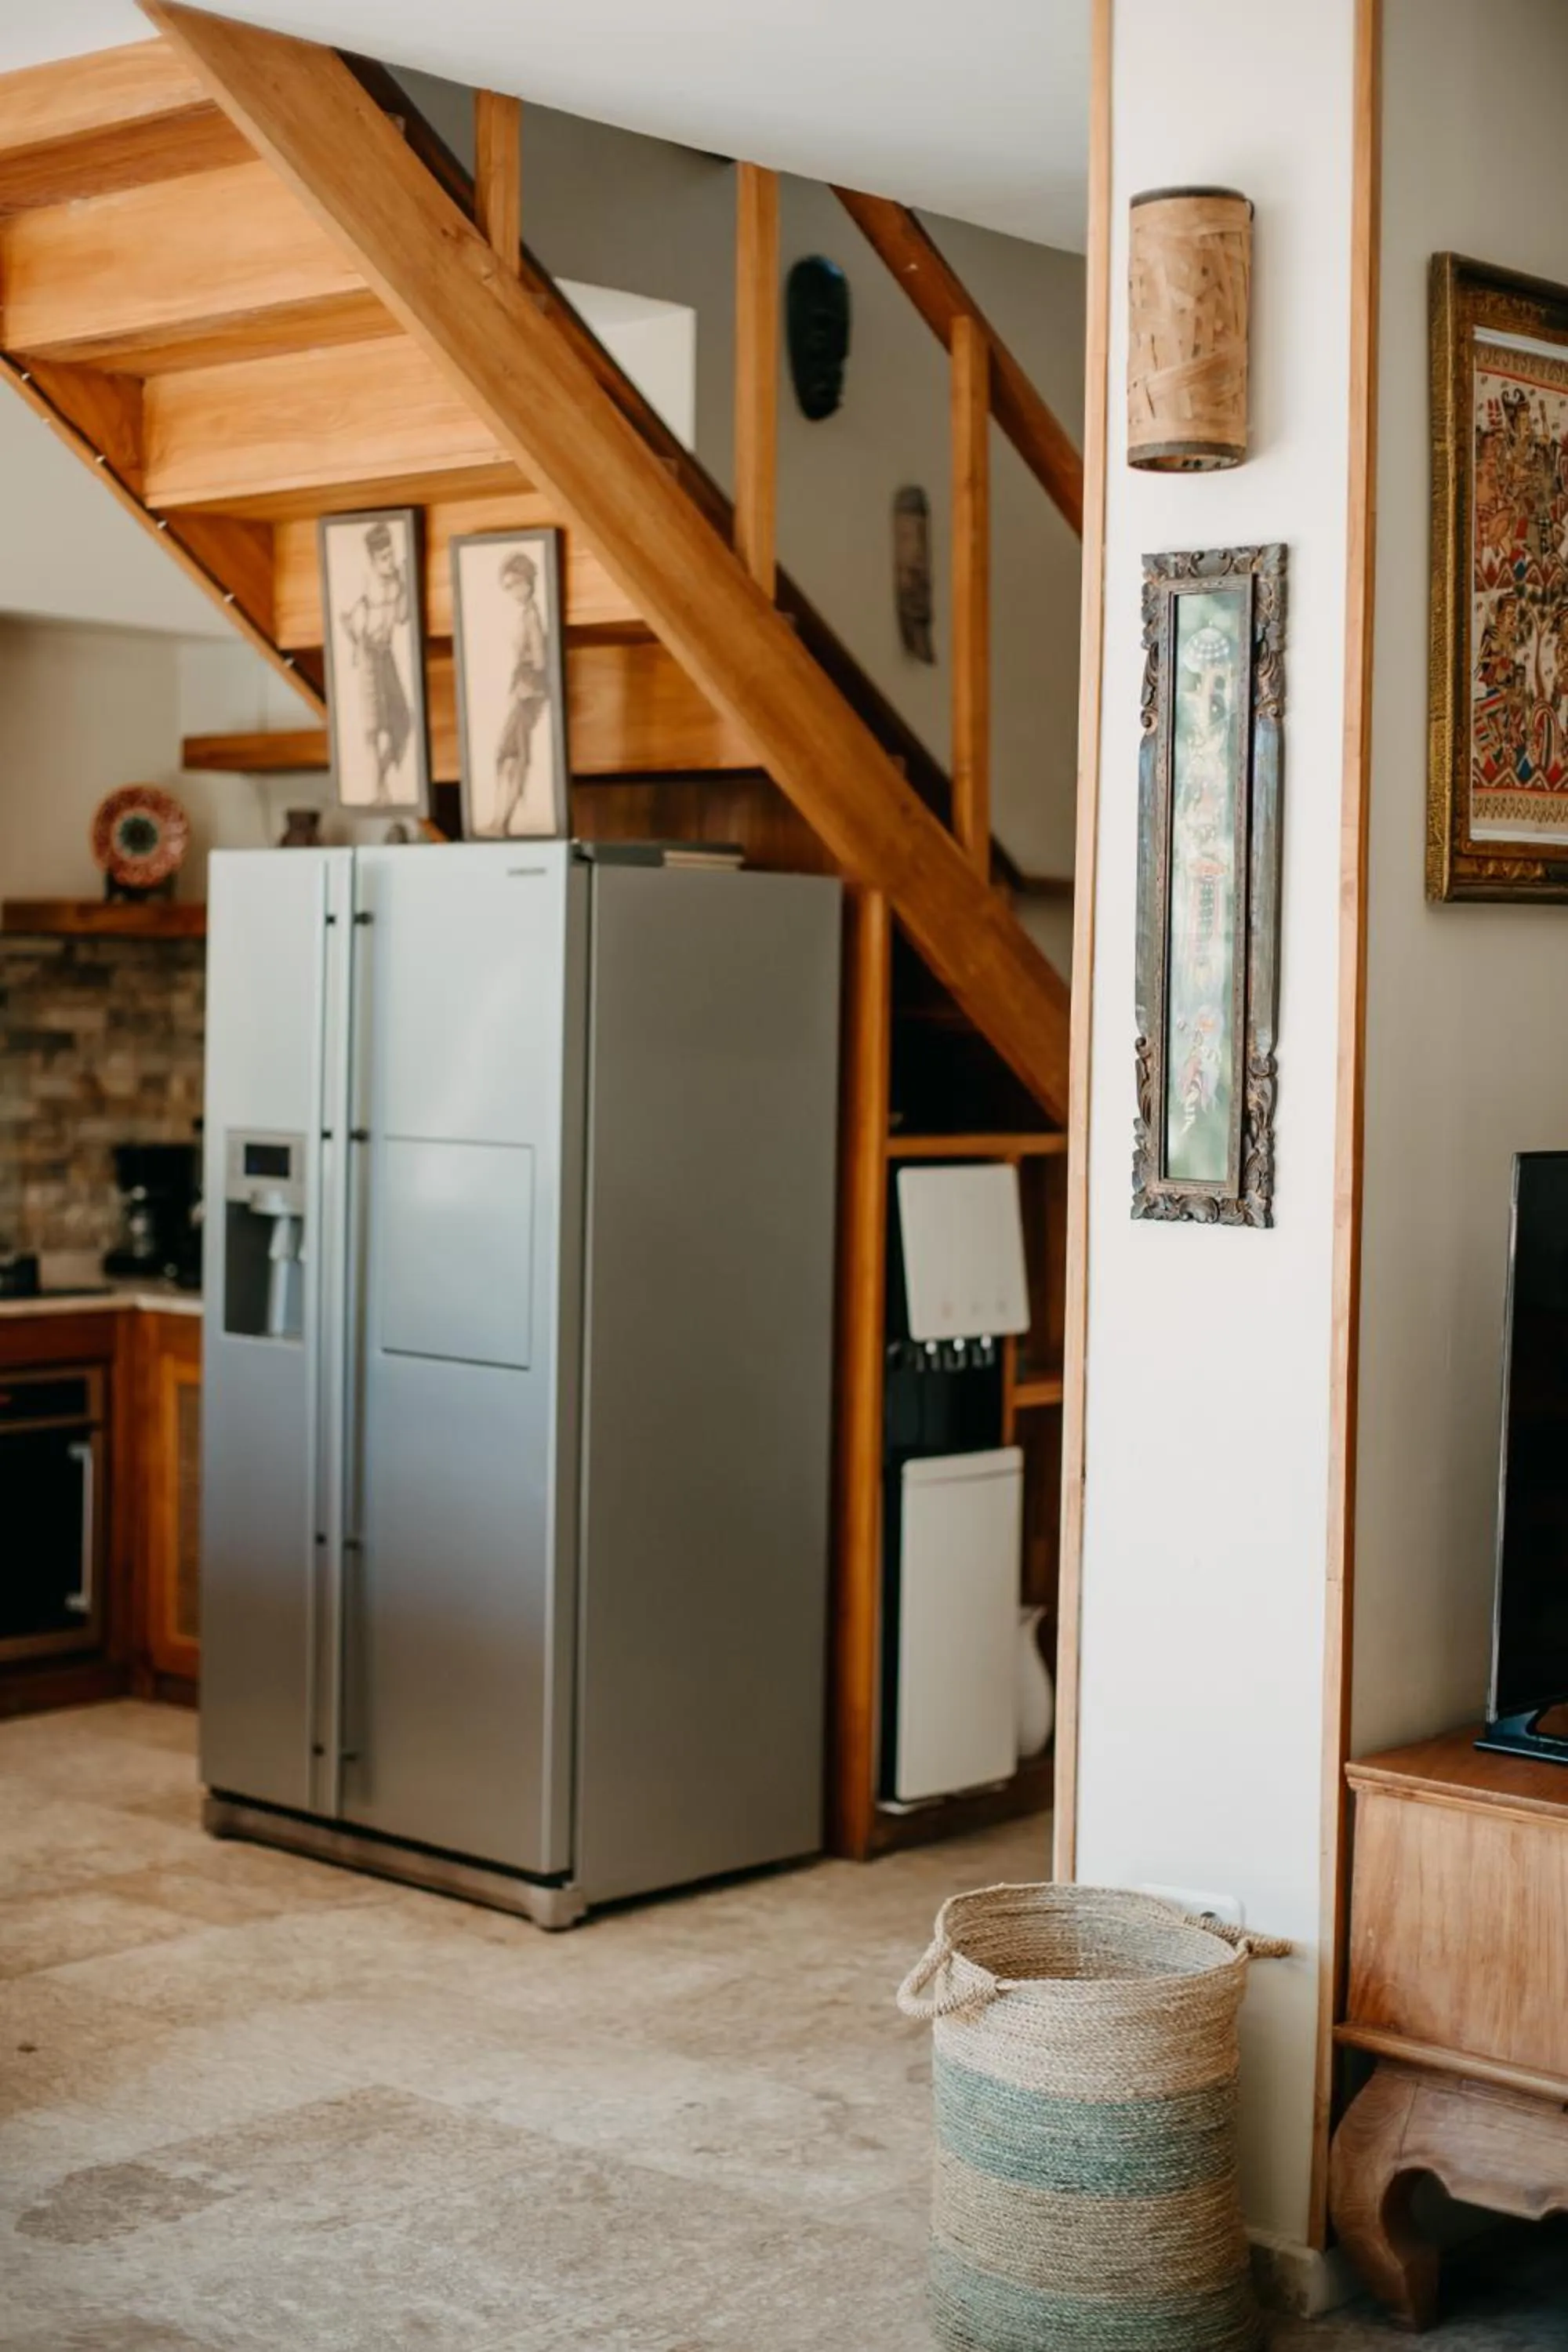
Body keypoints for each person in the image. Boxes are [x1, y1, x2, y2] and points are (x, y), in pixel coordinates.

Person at [339, 521, 413, 805]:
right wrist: (358, 642)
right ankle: (378, 789)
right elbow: (344, 617)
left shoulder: (396, 580)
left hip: (387, 652)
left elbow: (403, 617)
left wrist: (405, 583)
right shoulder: (364, 583)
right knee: (374, 725)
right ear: (373, 558)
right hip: (369, 653)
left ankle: (382, 778)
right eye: (384, 557)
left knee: (402, 719)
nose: (390, 561)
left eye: (392, 555)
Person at [492, 546, 551, 836]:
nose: (511, 591)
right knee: (509, 756)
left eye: (513, 584)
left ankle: (502, 821)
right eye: (507, 587)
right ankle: (500, 819)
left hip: (529, 690)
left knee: (512, 756)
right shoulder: (528, 613)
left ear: (527, 581)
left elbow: (540, 660)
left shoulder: (531, 616)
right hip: (524, 686)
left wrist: (523, 683)